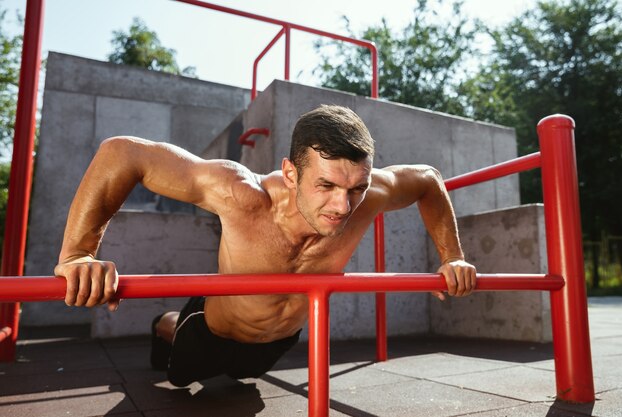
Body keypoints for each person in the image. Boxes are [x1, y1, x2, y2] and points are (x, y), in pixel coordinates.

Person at [54, 104, 476, 387]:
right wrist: (78, 254)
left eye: (356, 189)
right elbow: (123, 153)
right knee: (183, 381)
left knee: (241, 379)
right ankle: (164, 325)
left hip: (278, 341)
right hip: (213, 328)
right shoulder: (239, 193)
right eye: (325, 185)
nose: (342, 205)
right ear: (290, 174)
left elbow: (428, 180)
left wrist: (452, 257)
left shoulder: (371, 193)